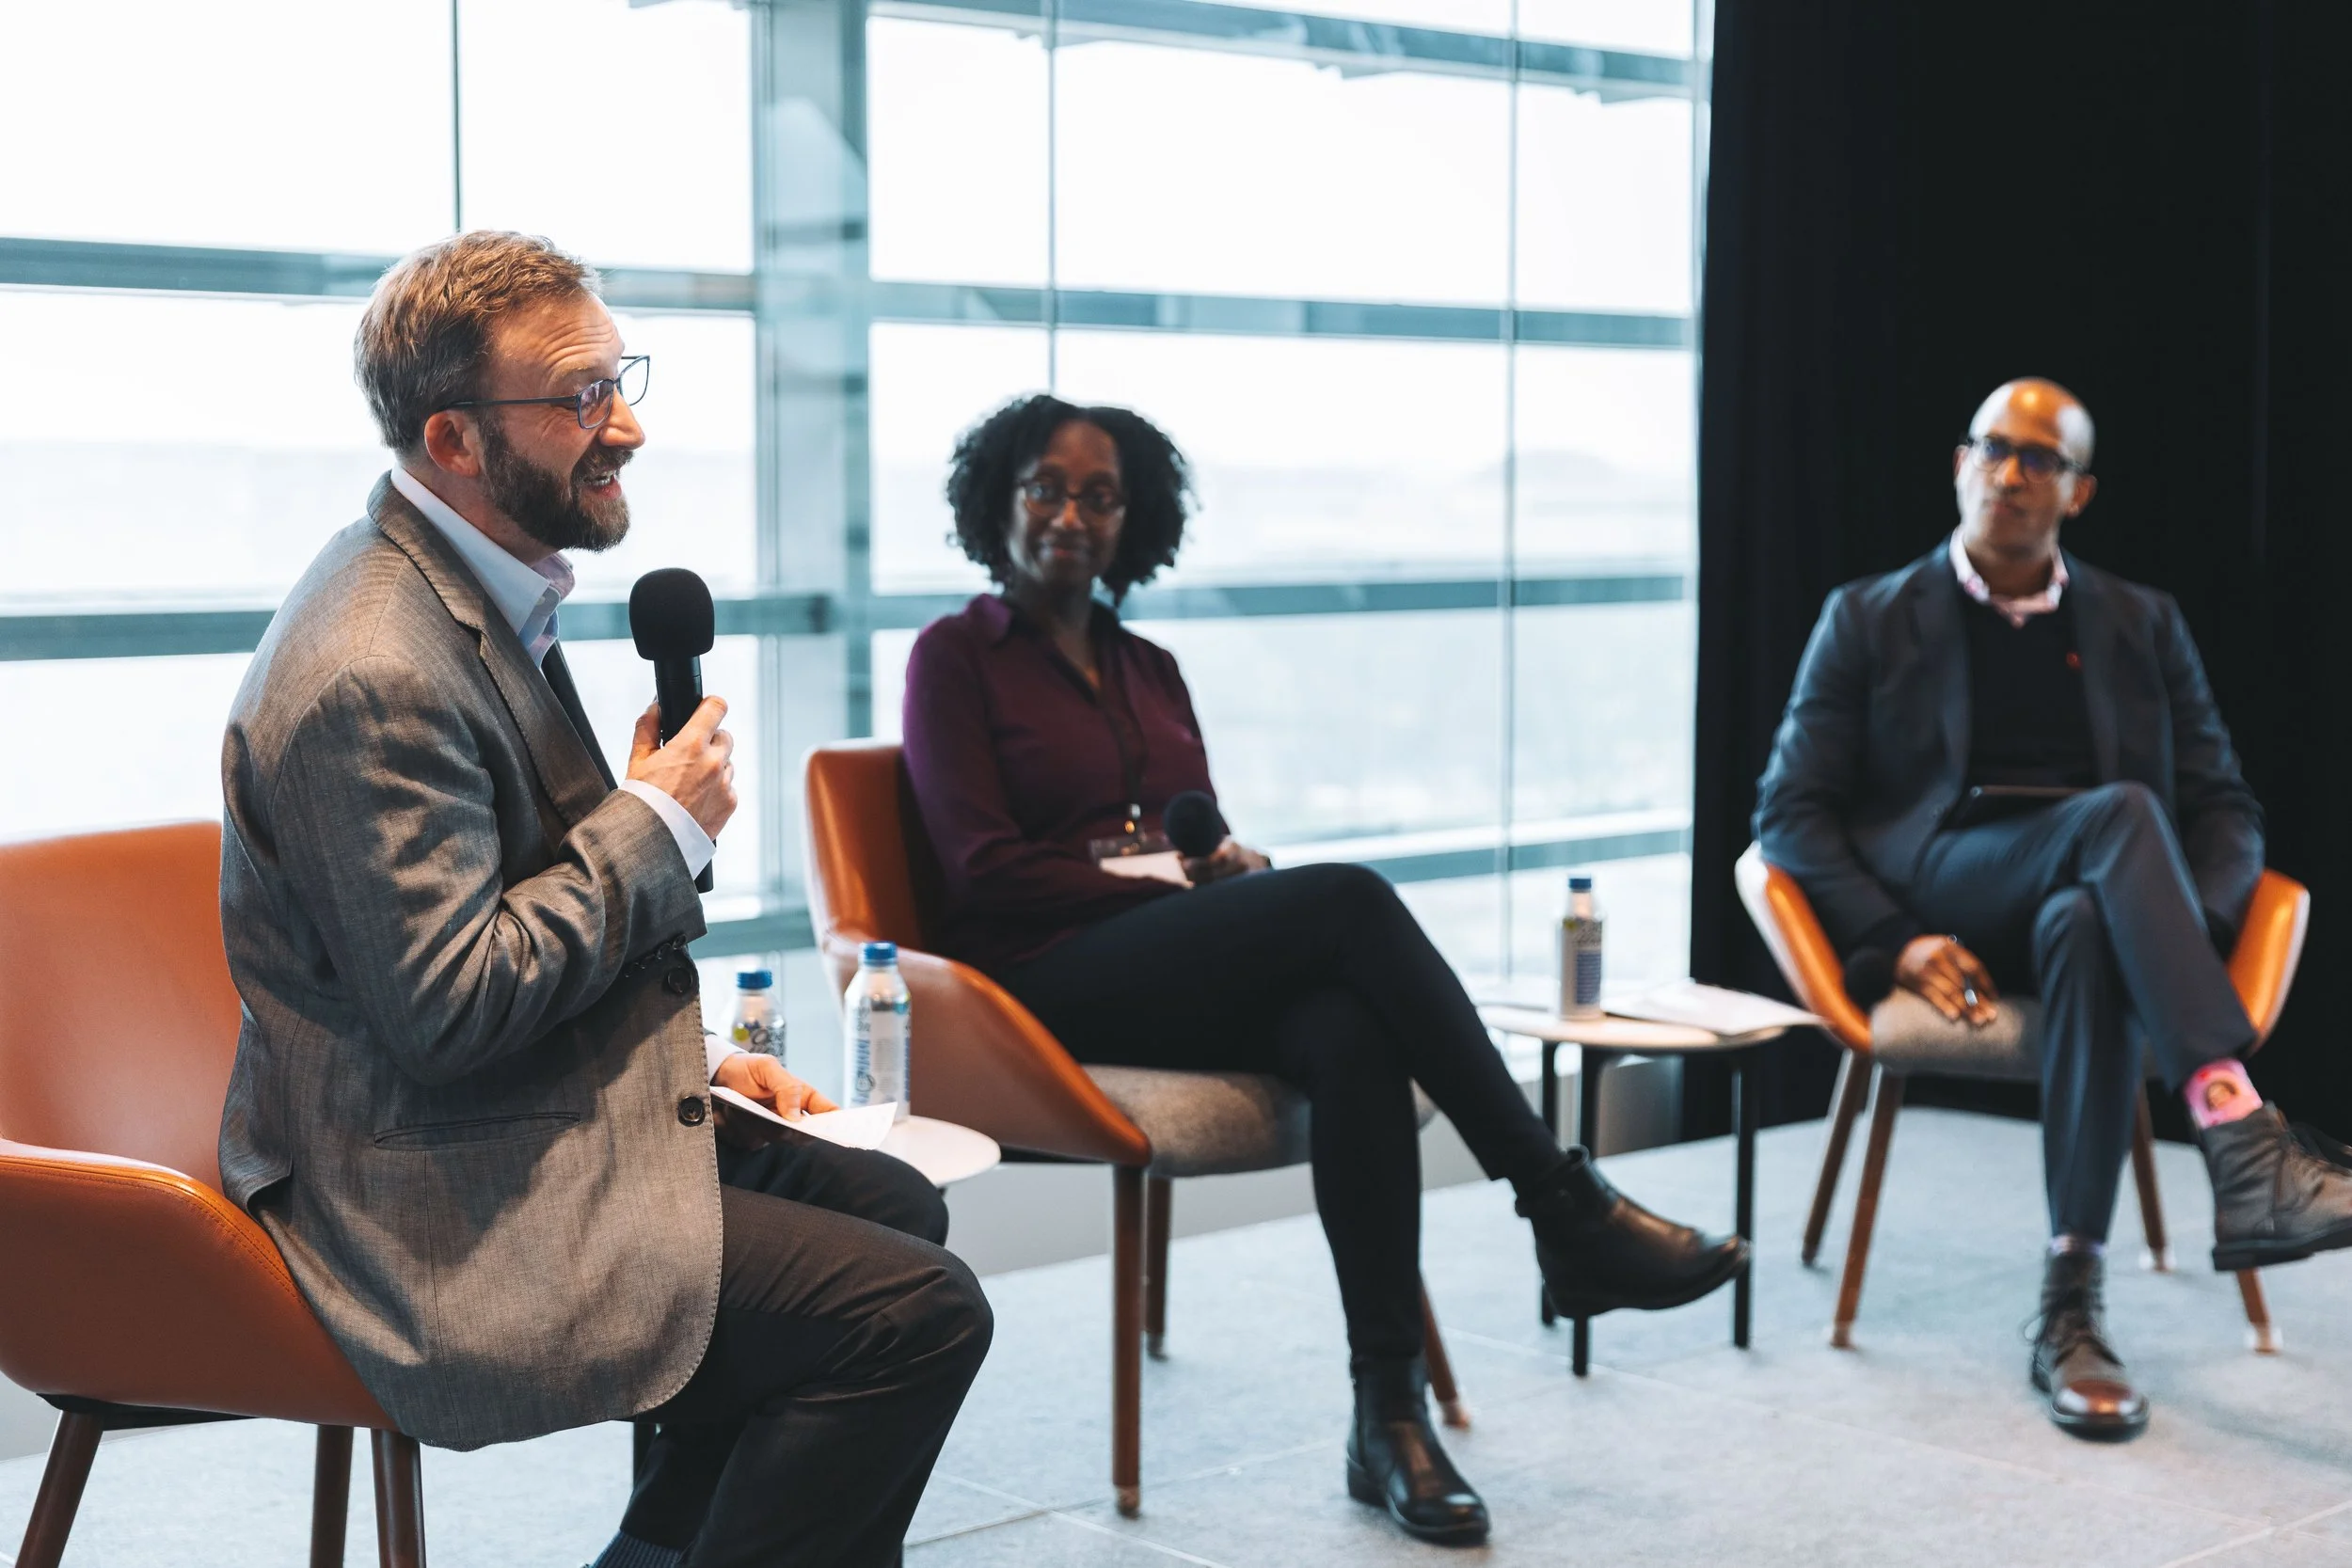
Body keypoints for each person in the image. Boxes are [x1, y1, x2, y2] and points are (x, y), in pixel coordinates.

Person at [217, 231, 990, 1568]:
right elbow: (447, 1010)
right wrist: (654, 824)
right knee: (909, 1312)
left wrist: (695, 1062)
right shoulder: (372, 666)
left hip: (505, 1116)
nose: (624, 424)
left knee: (893, 1210)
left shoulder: (478, 594)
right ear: (454, 438)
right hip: (425, 1192)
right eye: (578, 397)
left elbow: (499, 912)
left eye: (618, 376)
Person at [899, 392, 1748, 1547]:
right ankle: (1562, 1206)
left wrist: (1222, 867)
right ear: (997, 501)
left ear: (1132, 521)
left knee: (1348, 1025)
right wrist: (1168, 890)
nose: (1069, 514)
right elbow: (985, 874)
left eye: (1100, 496)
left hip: (1156, 962)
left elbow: (1186, 836)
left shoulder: (1148, 665)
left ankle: (1385, 1412)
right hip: (1032, 989)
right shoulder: (954, 657)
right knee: (1347, 898)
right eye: (1045, 487)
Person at [1755, 376, 2352, 1441]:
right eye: (1992, 448)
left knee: (2092, 912)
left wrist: (2171, 919)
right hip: (1942, 882)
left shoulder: (2141, 622)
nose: (2010, 473)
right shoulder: (1867, 616)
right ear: (1958, 464)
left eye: (2041, 459)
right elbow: (1789, 815)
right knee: (2120, 816)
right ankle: (2240, 1135)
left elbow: (2223, 807)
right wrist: (1894, 939)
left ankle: (2070, 1303)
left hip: (2089, 900)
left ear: (2078, 493)